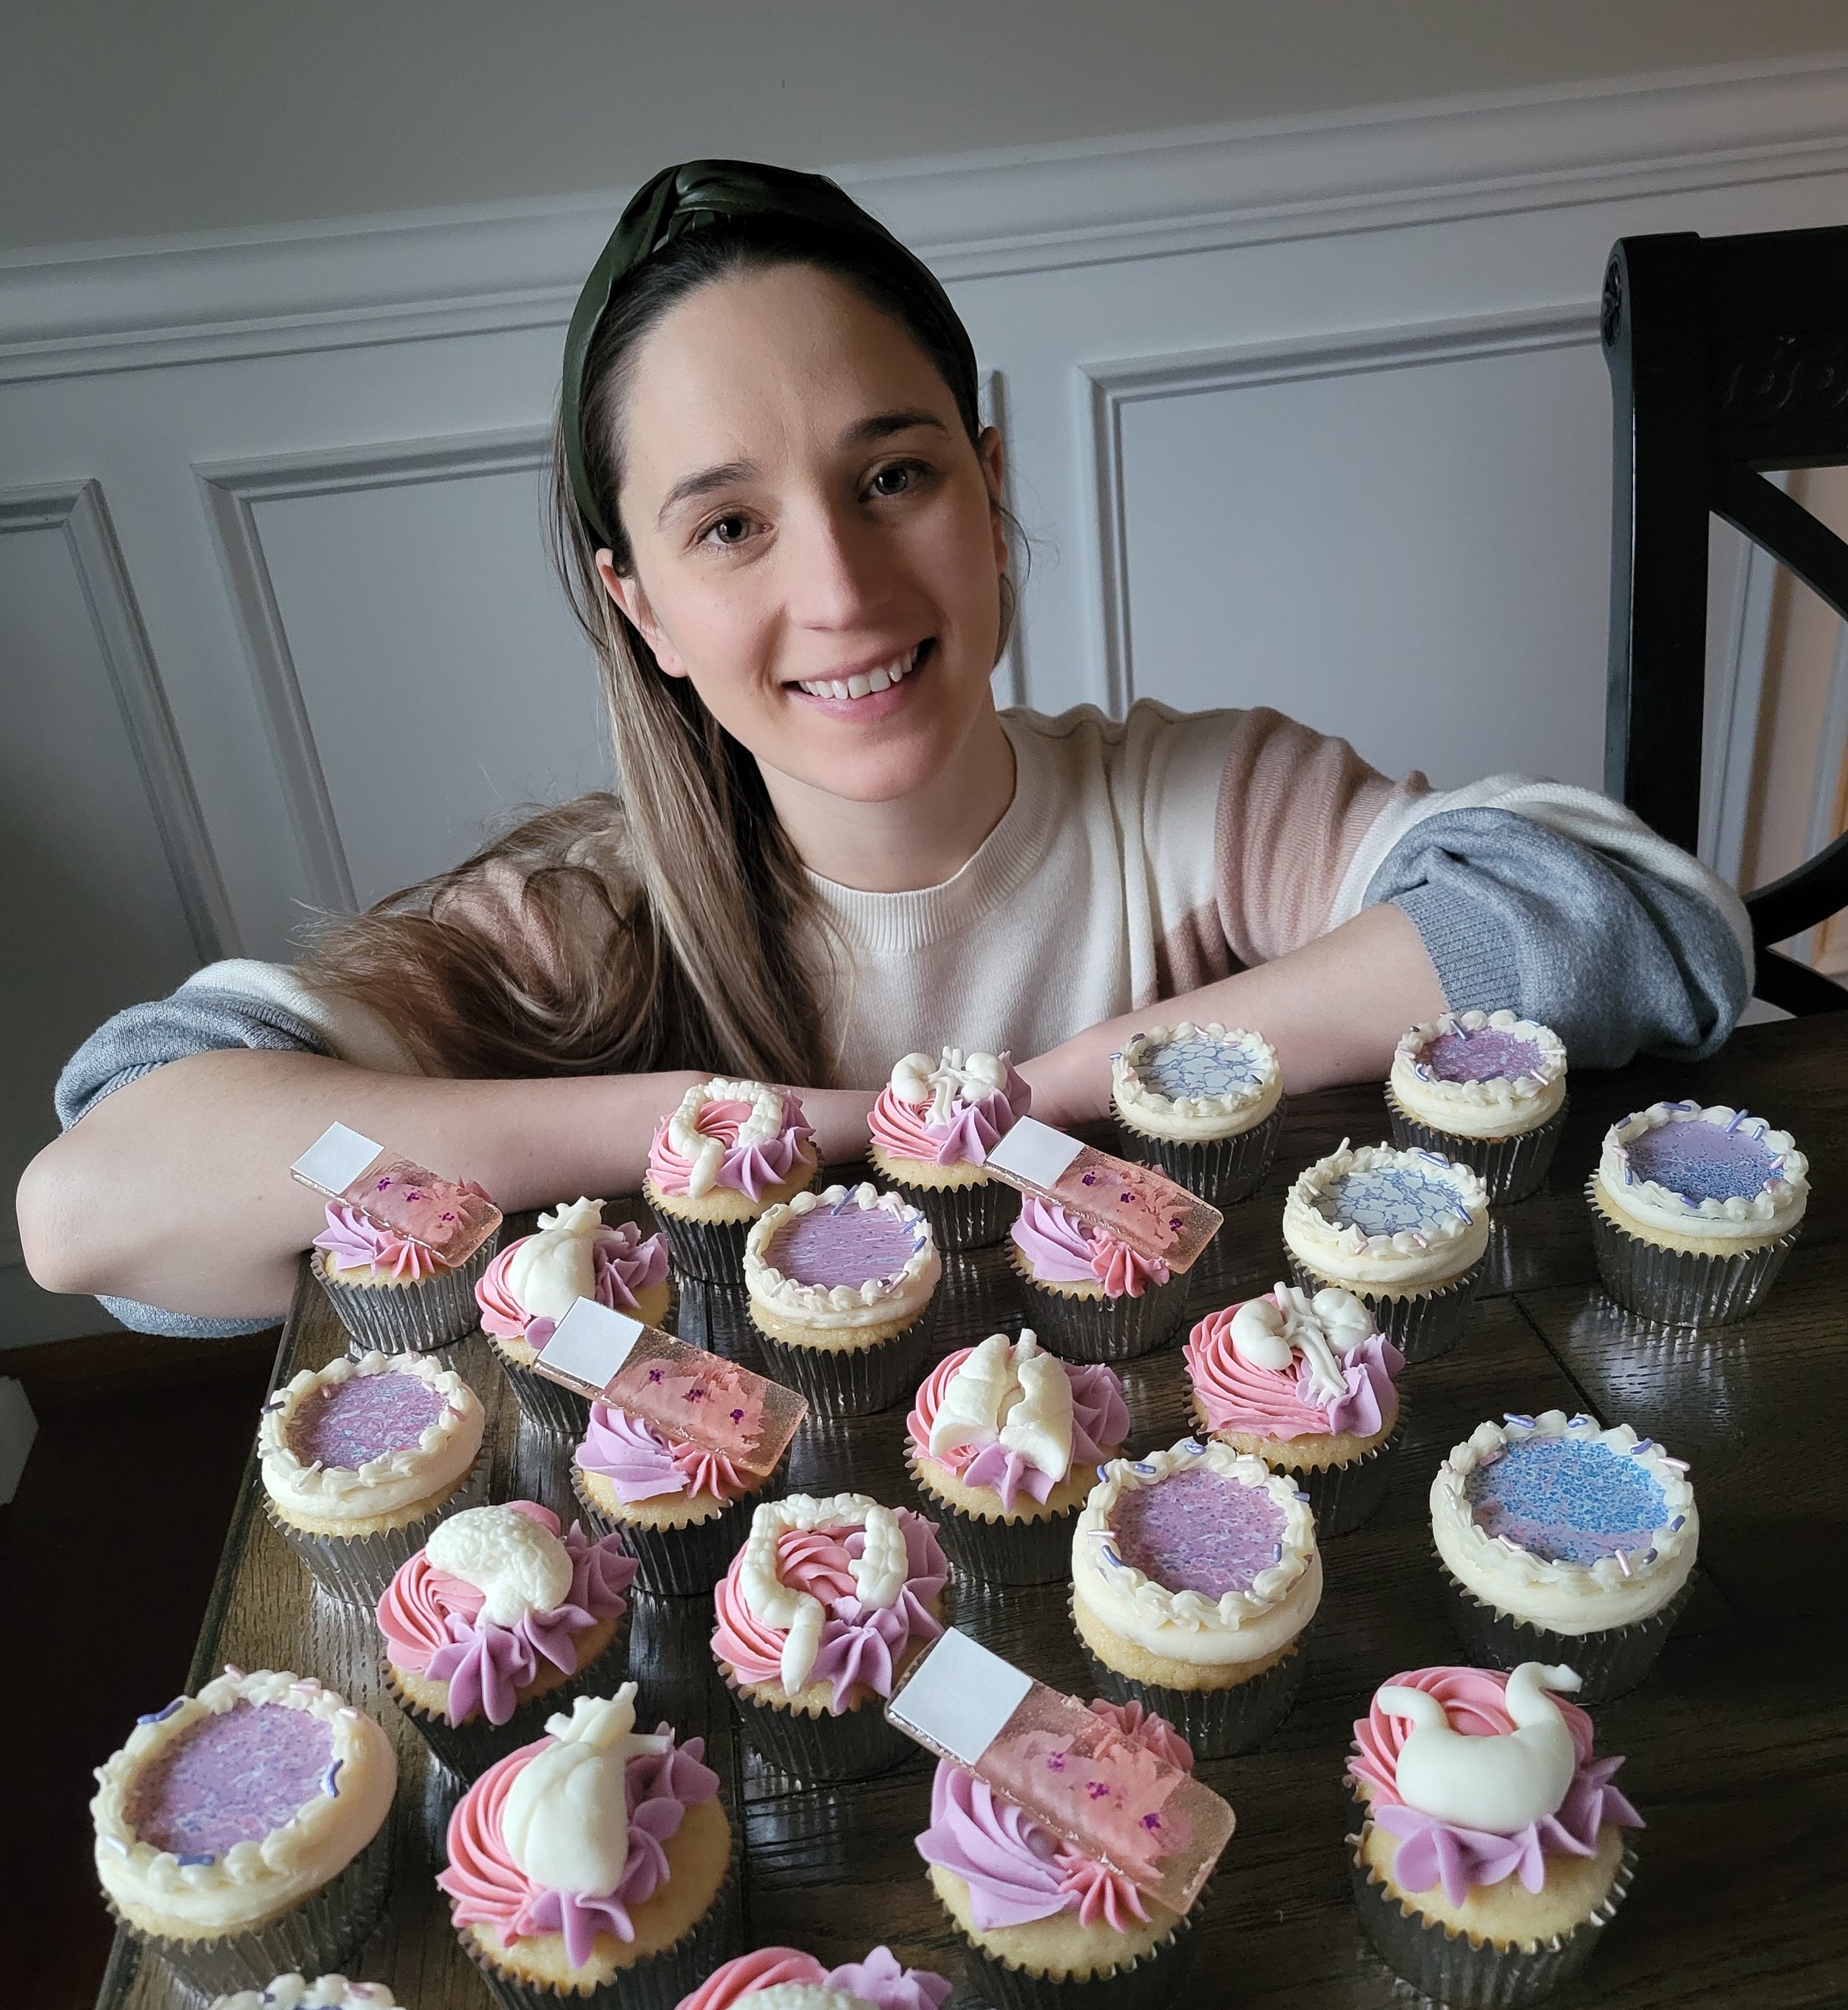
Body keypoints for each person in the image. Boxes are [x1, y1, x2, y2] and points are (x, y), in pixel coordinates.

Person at [16, 161, 1749, 1337]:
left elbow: (1625, 928)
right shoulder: (575, 926)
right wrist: (769, 1123)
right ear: (637, 608)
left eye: (893, 475)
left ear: (990, 488)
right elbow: (103, 1205)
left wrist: (1058, 1091)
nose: (840, 589)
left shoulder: (1196, 809)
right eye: (728, 526)